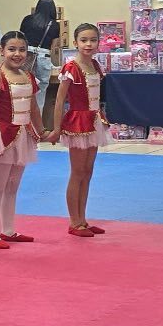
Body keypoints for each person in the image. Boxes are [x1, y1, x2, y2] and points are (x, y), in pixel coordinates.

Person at [51, 23, 112, 237]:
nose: (88, 44)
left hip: (94, 120)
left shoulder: (95, 65)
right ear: (75, 43)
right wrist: (57, 128)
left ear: (98, 43)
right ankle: (74, 221)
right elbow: (60, 100)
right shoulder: (71, 68)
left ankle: (83, 219)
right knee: (77, 172)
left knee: (87, 171)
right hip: (78, 122)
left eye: (93, 40)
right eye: (84, 40)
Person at [0, 31, 41, 249]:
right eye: (12, 49)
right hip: (2, 135)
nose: (17, 54)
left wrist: (42, 130)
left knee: (12, 186)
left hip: (23, 135)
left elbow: (34, 107)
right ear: (1, 51)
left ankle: (8, 229)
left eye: (22, 50)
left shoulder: (29, 76)